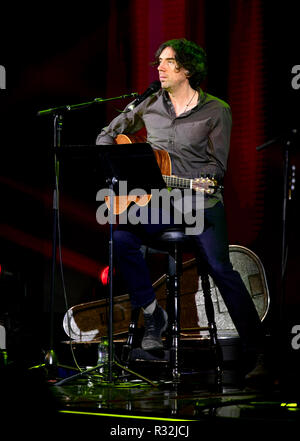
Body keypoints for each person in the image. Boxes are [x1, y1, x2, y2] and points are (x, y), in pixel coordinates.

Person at [96, 38, 267, 381]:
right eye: (158, 61)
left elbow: (217, 170)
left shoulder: (217, 110)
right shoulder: (149, 105)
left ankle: (256, 350)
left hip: (200, 202)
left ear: (186, 70)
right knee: (121, 237)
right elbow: (104, 136)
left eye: (168, 62)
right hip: (156, 204)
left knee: (221, 269)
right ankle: (152, 312)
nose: (159, 67)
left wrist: (193, 180)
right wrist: (122, 161)